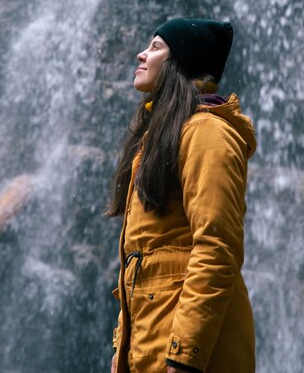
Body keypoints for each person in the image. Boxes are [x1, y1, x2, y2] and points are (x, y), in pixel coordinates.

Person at [107, 18, 256, 373]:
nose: (141, 54)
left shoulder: (207, 134)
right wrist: (121, 348)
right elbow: (143, 263)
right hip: (152, 345)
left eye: (156, 47)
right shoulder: (163, 136)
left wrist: (184, 357)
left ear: (180, 64)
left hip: (192, 355)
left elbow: (217, 248)